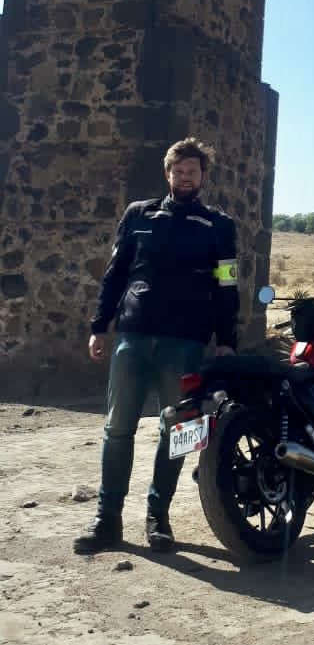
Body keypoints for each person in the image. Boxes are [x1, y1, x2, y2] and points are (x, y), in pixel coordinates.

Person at [73, 137, 239, 555]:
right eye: (178, 171)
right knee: (117, 428)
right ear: (167, 174)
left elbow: (227, 286)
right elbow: (115, 274)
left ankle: (157, 516)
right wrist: (99, 325)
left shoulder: (219, 226)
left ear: (203, 177)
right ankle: (107, 519)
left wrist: (227, 340)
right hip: (133, 334)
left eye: (192, 171)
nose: (185, 178)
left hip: (185, 342)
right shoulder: (137, 216)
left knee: (180, 430)